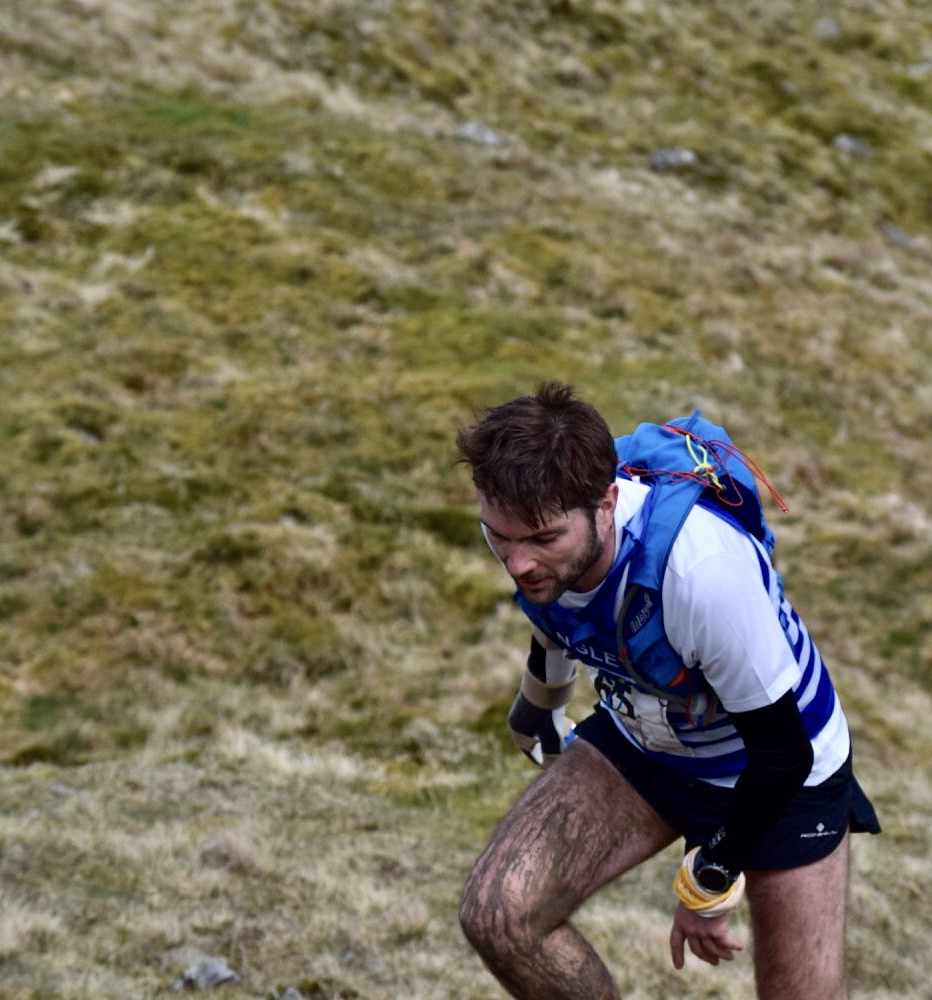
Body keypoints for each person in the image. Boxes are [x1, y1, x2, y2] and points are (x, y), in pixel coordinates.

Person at [454, 382, 880, 1000]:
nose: (517, 563)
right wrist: (541, 702)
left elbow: (784, 755)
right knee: (499, 915)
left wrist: (708, 879)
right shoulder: (533, 534)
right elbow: (560, 612)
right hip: (649, 741)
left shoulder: (700, 572)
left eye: (543, 540)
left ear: (606, 503)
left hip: (782, 770)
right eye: (501, 537)